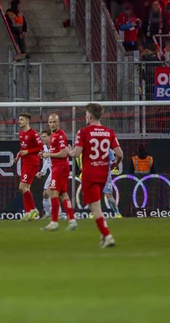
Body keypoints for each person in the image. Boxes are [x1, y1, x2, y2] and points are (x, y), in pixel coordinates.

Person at [68, 101, 124, 248]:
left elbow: (75, 154)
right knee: (97, 206)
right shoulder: (109, 132)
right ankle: (103, 235)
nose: (85, 116)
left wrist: (68, 150)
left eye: (86, 114)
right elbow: (120, 154)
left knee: (96, 208)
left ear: (90, 115)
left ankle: (107, 235)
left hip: (90, 175)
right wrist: (116, 163)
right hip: (103, 174)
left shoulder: (83, 132)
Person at [40, 111, 77, 231]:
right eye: (50, 122)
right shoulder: (54, 136)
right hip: (59, 167)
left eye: (54, 122)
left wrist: (48, 154)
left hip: (60, 167)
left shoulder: (60, 136)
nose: (52, 124)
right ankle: (72, 220)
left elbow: (62, 153)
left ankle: (54, 222)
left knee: (53, 193)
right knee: (63, 194)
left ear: (58, 123)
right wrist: (45, 154)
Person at [14, 112, 44, 221]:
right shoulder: (21, 133)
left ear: (27, 121)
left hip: (32, 163)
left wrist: (28, 151)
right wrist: (18, 156)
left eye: (21, 119)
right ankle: (28, 212)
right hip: (25, 162)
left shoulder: (33, 134)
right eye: (19, 119)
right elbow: (23, 149)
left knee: (22, 187)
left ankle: (33, 210)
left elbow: (40, 148)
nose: (19, 121)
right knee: (26, 189)